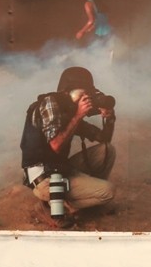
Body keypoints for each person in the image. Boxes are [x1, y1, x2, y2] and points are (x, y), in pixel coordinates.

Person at [19, 66, 116, 221]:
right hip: (44, 177)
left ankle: (87, 195)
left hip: (60, 168)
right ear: (66, 91)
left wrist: (109, 118)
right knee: (108, 192)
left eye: (88, 94)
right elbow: (55, 147)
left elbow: (104, 138)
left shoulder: (70, 110)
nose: (86, 98)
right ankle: (49, 205)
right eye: (82, 94)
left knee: (107, 150)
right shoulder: (50, 103)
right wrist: (78, 115)